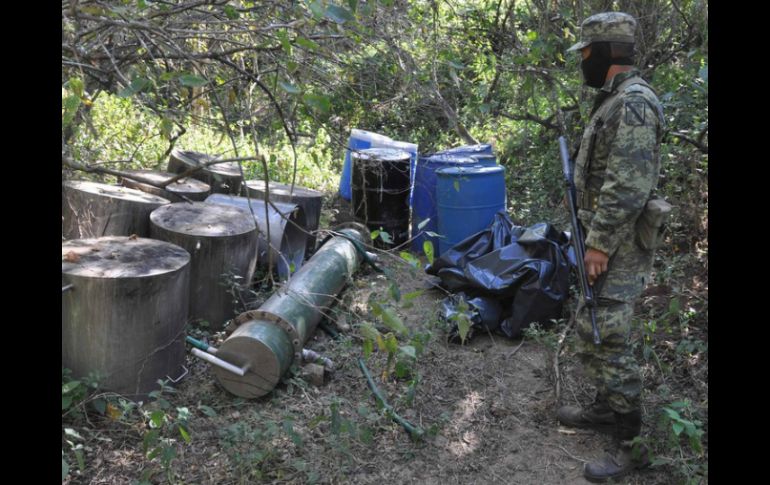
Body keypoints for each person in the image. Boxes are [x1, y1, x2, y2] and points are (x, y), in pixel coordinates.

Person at [557, 11, 666, 483]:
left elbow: (628, 185)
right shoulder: (615, 100)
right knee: (594, 324)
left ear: (604, 52)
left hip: (616, 243)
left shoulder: (634, 103)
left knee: (609, 337)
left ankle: (632, 446)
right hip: (604, 236)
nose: (582, 61)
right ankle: (606, 408)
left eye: (585, 53)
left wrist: (598, 245)